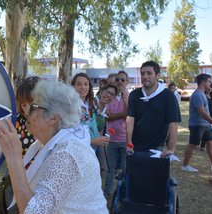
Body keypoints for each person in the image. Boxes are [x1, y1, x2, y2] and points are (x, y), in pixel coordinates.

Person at [0, 80, 113, 214]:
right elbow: (54, 198)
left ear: (54, 117)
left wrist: (14, 158)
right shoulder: (62, 143)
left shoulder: (67, 153)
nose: (26, 112)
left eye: (33, 106)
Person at [5, 76, 39, 214]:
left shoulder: (50, 124)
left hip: (40, 186)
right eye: (24, 104)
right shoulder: (15, 122)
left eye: (32, 103)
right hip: (19, 183)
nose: (28, 109)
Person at [126, 60, 181, 157]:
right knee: (133, 172)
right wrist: (129, 142)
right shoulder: (134, 95)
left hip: (156, 149)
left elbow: (173, 123)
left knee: (152, 172)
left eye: (149, 73)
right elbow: (130, 119)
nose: (145, 76)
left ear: (157, 75)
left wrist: (170, 149)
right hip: (135, 147)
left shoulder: (168, 96)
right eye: (142, 73)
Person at [181, 74, 212, 176]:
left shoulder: (202, 94)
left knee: (210, 143)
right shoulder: (197, 95)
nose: (210, 83)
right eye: (209, 81)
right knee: (193, 144)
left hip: (205, 124)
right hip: (197, 125)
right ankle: (185, 165)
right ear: (203, 82)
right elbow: (201, 112)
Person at [104, 71, 129, 201]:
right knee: (110, 170)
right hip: (111, 140)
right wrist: (122, 114)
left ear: (127, 82)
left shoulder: (129, 96)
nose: (119, 82)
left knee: (125, 170)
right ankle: (106, 196)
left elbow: (130, 114)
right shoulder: (110, 97)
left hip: (126, 140)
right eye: (117, 80)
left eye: (122, 80)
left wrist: (125, 99)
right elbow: (107, 116)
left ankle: (124, 196)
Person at [71, 73, 110, 149]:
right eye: (79, 84)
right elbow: (70, 134)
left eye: (86, 84)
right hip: (81, 150)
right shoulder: (71, 107)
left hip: (95, 149)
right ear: (73, 87)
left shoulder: (90, 104)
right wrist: (92, 141)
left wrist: (101, 139)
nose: (83, 87)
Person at [200, 82, 212, 151]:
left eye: (211, 87)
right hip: (205, 115)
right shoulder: (203, 96)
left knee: (210, 131)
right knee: (204, 130)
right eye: (209, 87)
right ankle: (202, 146)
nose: (210, 89)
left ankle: (210, 145)